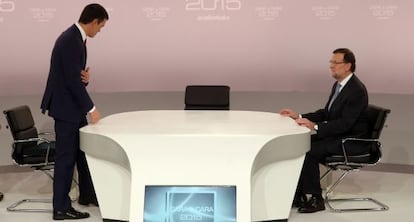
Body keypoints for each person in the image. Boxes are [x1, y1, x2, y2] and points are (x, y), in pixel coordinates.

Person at [280, 48, 370, 213]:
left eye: (336, 63)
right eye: (331, 62)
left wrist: (314, 126)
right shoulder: (339, 85)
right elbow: (326, 113)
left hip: (351, 141)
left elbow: (346, 124)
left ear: (348, 65)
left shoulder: (356, 90)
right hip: (338, 136)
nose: (331, 66)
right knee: (299, 145)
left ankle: (316, 199)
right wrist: (298, 115)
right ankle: (298, 195)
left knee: (309, 151)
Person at [40, 4, 108, 220]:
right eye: (101, 27)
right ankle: (60, 208)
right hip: (66, 109)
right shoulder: (71, 40)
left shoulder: (76, 38)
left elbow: (73, 77)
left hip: (71, 108)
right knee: (66, 158)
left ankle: (87, 194)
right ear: (94, 21)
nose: (99, 31)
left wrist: (84, 80)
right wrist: (92, 108)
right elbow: (70, 81)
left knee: (82, 154)